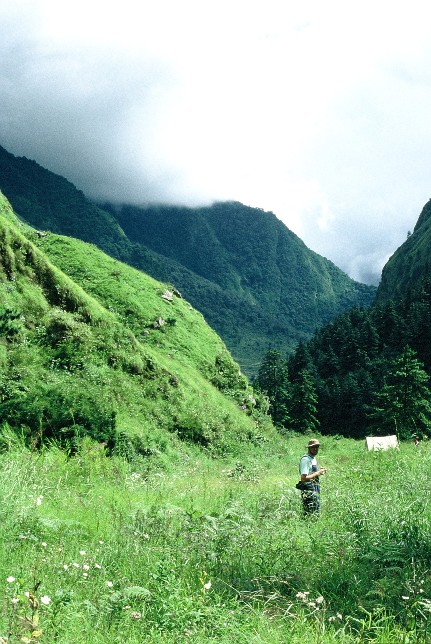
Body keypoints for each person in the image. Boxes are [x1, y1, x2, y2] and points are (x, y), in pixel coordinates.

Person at [298, 438, 327, 515]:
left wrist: (320, 471)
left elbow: (312, 472)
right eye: (313, 447)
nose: (315, 449)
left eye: (317, 447)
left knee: (316, 509)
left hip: (315, 486)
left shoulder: (313, 458)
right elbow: (303, 478)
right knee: (309, 511)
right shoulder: (305, 460)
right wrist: (318, 473)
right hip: (308, 488)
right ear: (309, 448)